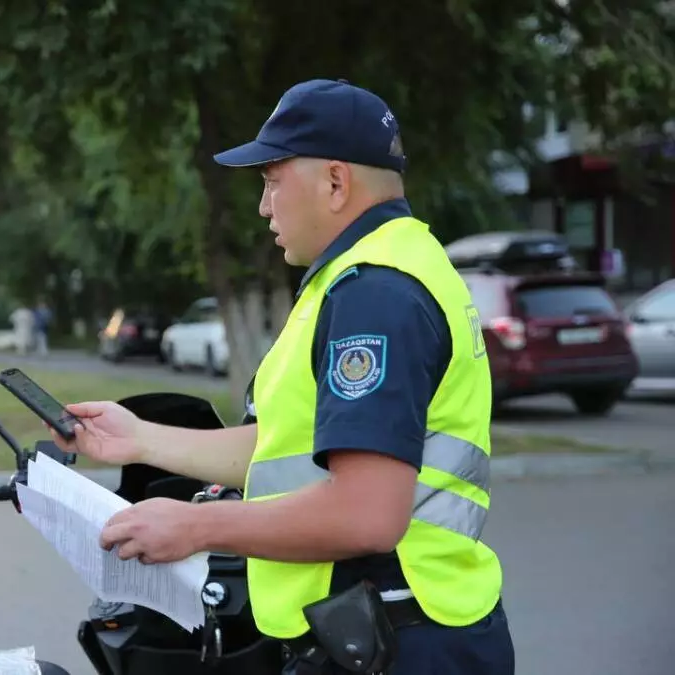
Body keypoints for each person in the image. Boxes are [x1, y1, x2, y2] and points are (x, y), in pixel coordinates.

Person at [51, 79, 515, 674]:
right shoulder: (374, 271)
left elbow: (365, 514)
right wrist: (140, 438)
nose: (264, 206)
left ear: (336, 181)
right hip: (384, 629)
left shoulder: (376, 292)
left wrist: (196, 526)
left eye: (272, 181)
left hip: (398, 639)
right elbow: (288, 449)